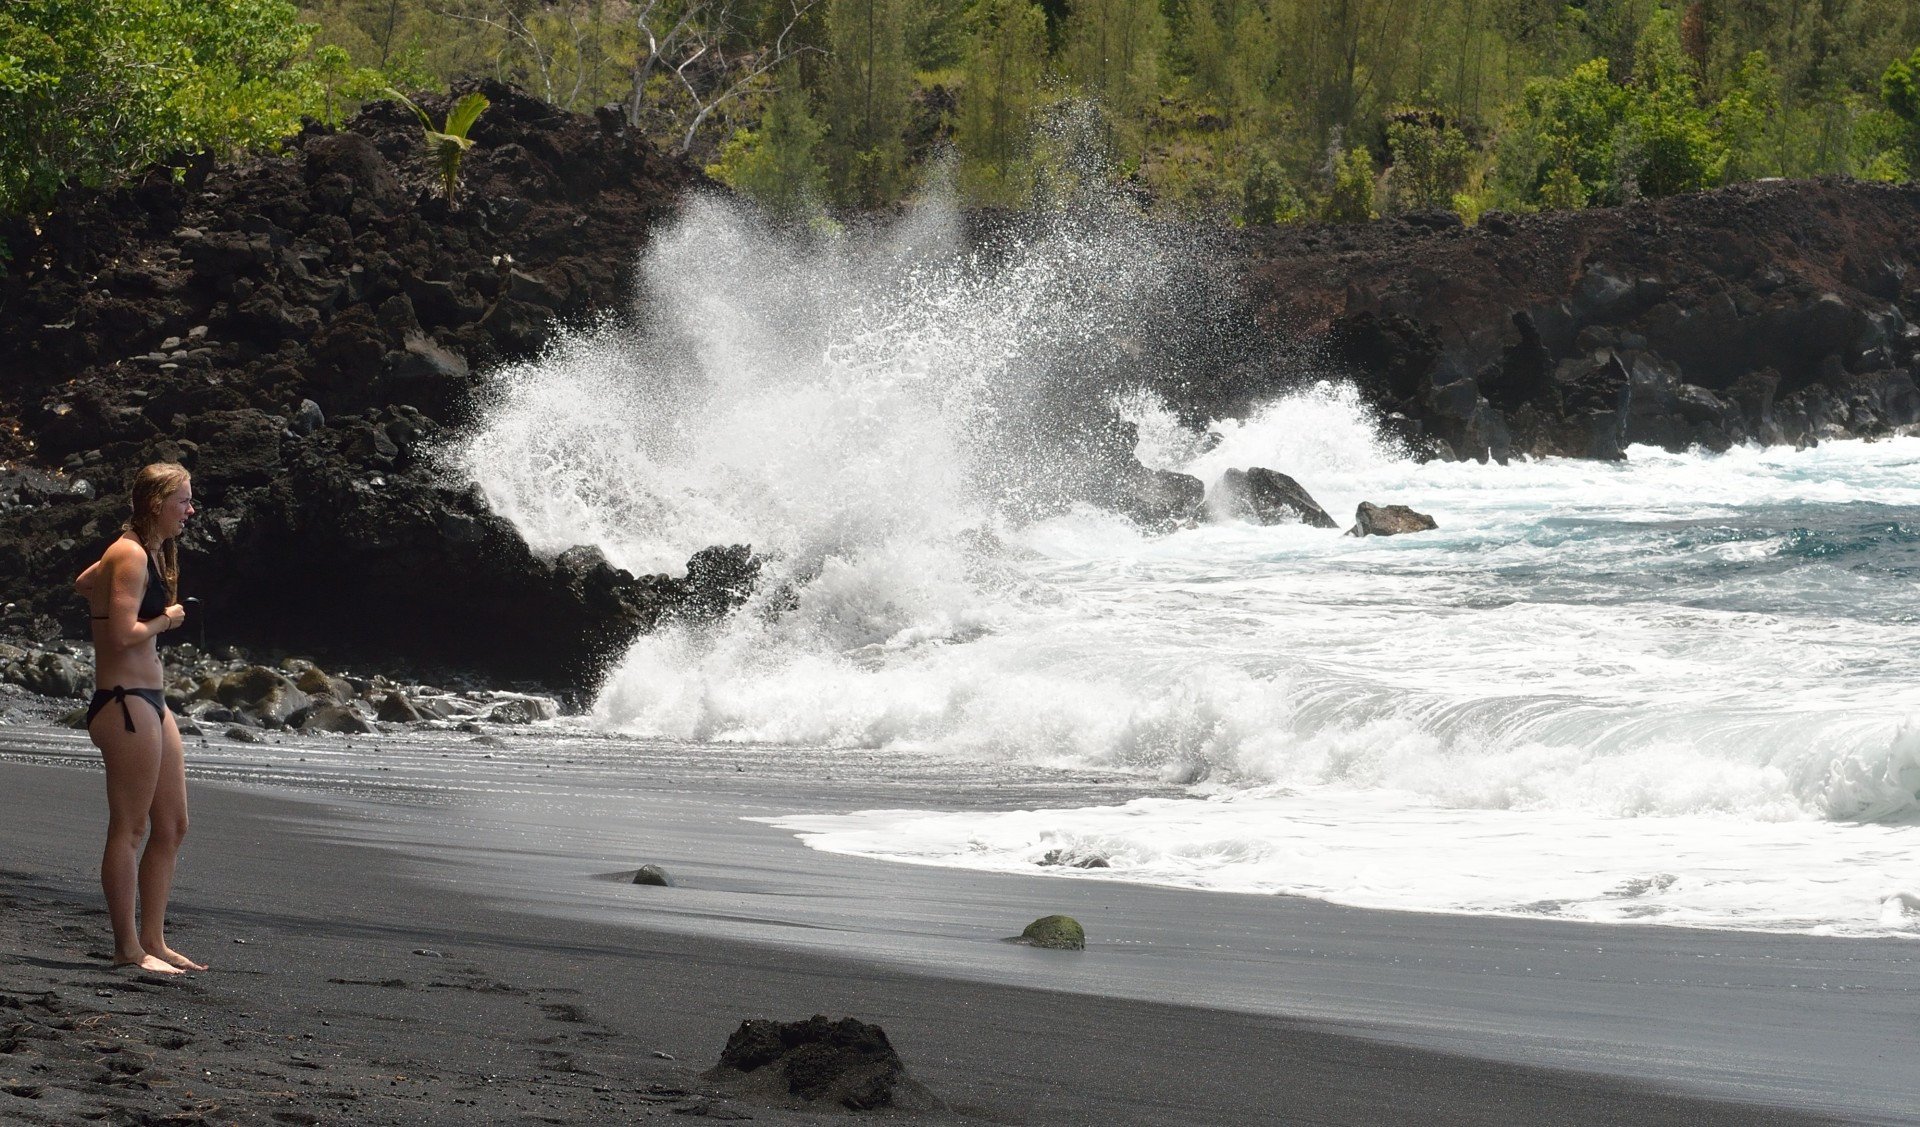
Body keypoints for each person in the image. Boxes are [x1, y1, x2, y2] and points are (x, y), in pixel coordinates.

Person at [72, 462, 205, 975]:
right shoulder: (129, 553)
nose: (190, 510)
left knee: (171, 825)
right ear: (156, 504)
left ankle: (154, 939)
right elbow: (124, 634)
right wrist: (166, 619)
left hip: (151, 702)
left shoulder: (135, 552)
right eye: (183, 501)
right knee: (129, 828)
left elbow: (85, 581)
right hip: (124, 702)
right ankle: (127, 949)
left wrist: (108, 589)